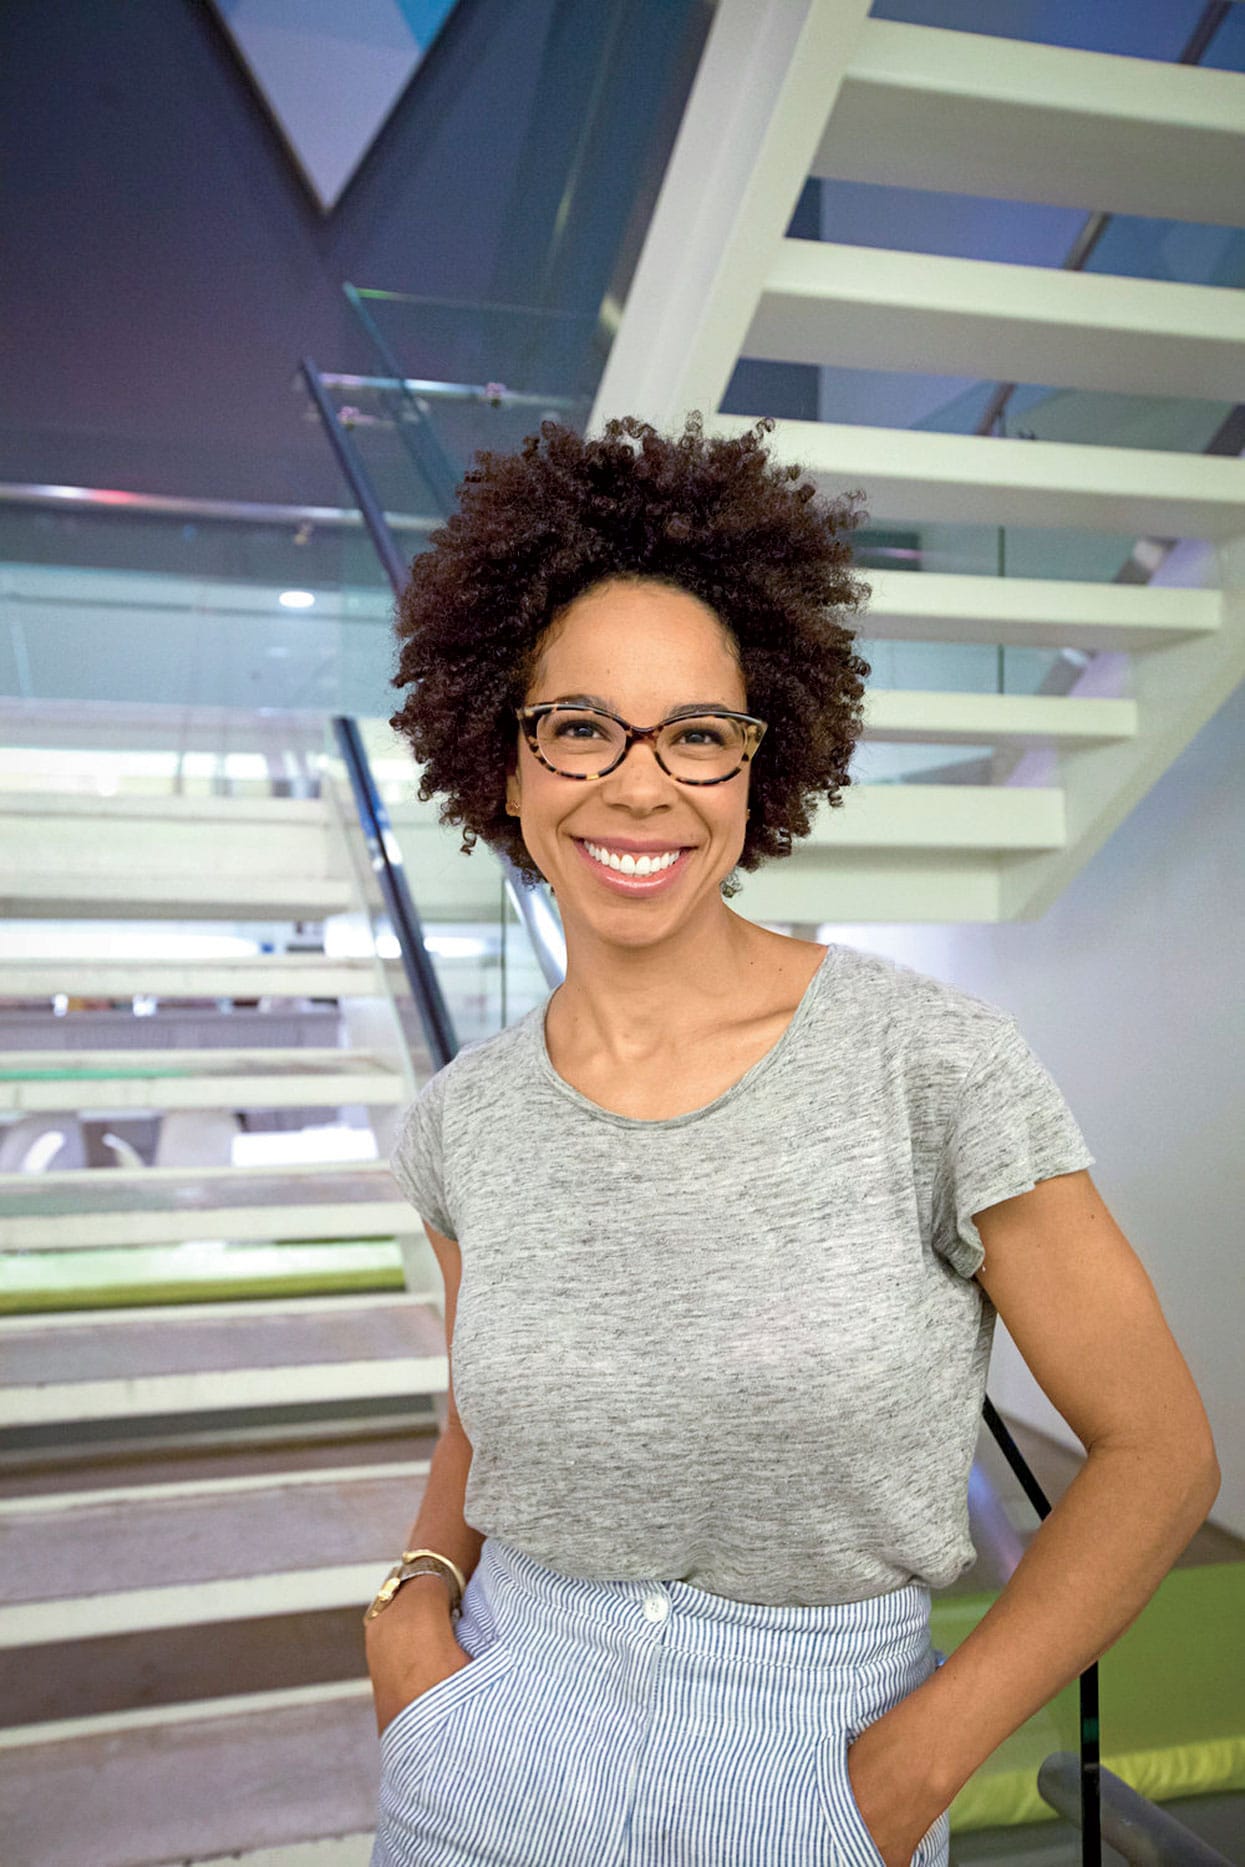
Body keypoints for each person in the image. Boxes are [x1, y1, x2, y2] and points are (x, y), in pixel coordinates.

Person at [364, 412, 1220, 1867]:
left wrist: (908, 1770)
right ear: (503, 765)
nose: (640, 785)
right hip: (486, 1750)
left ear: (758, 772)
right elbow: (479, 1414)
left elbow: (1160, 1453)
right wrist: (415, 1608)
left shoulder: (931, 1066)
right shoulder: (464, 1119)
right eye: (579, 726)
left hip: (820, 1764)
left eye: (698, 734)